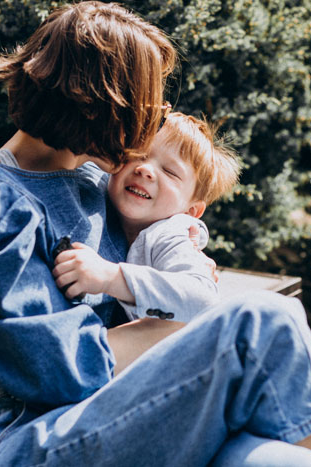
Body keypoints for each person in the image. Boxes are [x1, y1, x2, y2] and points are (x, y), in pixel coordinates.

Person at [0, 2, 311, 466]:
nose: (156, 119)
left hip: (122, 405)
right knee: (268, 319)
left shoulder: (94, 179)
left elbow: (166, 240)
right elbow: (54, 369)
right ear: (101, 102)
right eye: (152, 105)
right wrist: (183, 324)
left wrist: (182, 273)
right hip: (30, 435)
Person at [52, 111, 241, 323]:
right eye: (138, 154)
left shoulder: (171, 234)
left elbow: (203, 300)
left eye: (170, 172)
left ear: (190, 211)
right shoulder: (97, 187)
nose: (145, 169)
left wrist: (110, 277)